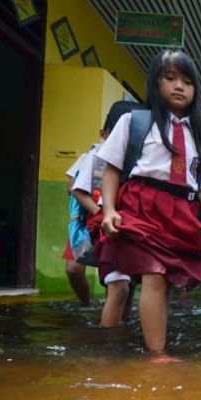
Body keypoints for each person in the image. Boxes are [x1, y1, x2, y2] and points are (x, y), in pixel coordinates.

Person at [97, 49, 201, 355]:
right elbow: (111, 169)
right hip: (141, 205)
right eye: (170, 78)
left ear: (196, 90)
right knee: (152, 274)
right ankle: (157, 357)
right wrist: (109, 210)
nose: (179, 86)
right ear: (155, 82)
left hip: (182, 214)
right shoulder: (133, 121)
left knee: (163, 282)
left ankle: (152, 345)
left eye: (187, 81)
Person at [71, 101, 144, 327]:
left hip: (131, 228)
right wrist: (102, 214)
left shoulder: (139, 157)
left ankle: (123, 326)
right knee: (119, 286)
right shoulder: (99, 157)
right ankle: (109, 348)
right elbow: (77, 190)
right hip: (107, 228)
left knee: (128, 285)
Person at [63, 152, 90, 306]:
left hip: (114, 218)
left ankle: (112, 314)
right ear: (103, 134)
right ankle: (86, 304)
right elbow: (71, 188)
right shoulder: (87, 158)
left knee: (115, 277)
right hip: (83, 223)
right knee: (74, 269)